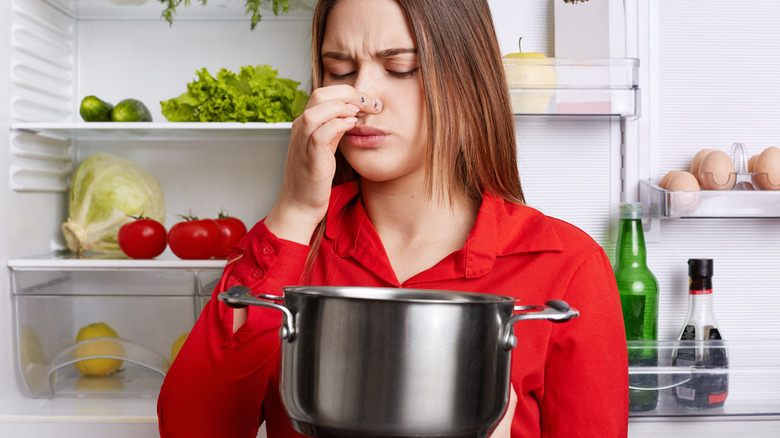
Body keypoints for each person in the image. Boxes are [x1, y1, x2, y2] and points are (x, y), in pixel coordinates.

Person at [157, 0, 629, 437]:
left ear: (467, 77)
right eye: (340, 69)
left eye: (400, 67)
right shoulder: (288, 246)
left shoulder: (567, 266)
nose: (363, 97)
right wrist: (295, 210)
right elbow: (192, 428)